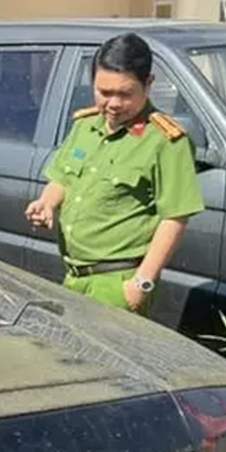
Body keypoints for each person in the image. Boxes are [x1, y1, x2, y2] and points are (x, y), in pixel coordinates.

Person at [25, 33, 205, 315]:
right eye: (104, 92)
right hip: (74, 277)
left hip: (117, 283)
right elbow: (62, 178)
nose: (113, 103)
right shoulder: (85, 126)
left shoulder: (166, 142)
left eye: (125, 94)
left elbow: (175, 218)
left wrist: (141, 284)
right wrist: (47, 203)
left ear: (148, 85)